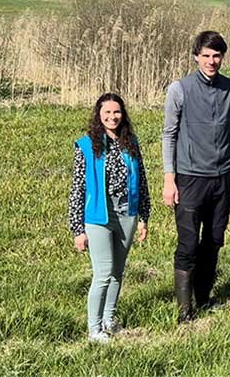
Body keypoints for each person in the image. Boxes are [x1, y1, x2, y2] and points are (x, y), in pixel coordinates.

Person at [162, 31, 230, 323]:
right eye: (206, 56)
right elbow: (169, 135)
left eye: (217, 56)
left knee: (213, 240)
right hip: (190, 178)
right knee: (188, 244)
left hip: (222, 178)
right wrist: (169, 178)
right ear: (196, 57)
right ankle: (184, 311)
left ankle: (204, 298)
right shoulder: (180, 89)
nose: (212, 61)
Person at [68, 93, 150, 343]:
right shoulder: (86, 146)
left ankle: (109, 320)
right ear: (99, 115)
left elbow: (142, 181)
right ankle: (94, 329)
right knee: (103, 273)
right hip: (98, 217)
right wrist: (77, 229)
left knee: (117, 272)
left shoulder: (130, 142)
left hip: (127, 214)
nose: (112, 117)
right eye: (107, 112)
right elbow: (78, 188)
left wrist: (144, 216)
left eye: (117, 112)